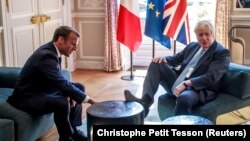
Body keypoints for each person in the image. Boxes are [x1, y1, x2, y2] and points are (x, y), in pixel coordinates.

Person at [7, 26, 97, 141]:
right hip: (26, 98)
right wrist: (91, 100)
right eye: (73, 44)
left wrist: (70, 93)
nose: (75, 48)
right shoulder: (46, 56)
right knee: (62, 102)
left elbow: (56, 80)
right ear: (61, 40)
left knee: (79, 87)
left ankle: (73, 131)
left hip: (41, 91)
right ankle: (66, 137)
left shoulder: (52, 51)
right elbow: (60, 83)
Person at [124, 20, 230, 118]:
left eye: (207, 34)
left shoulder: (221, 52)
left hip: (197, 89)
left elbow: (212, 77)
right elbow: (176, 58)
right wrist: (163, 59)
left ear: (213, 34)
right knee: (156, 63)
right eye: (200, 34)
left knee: (184, 98)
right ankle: (145, 103)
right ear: (196, 36)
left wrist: (186, 83)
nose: (204, 37)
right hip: (178, 80)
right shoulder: (193, 46)